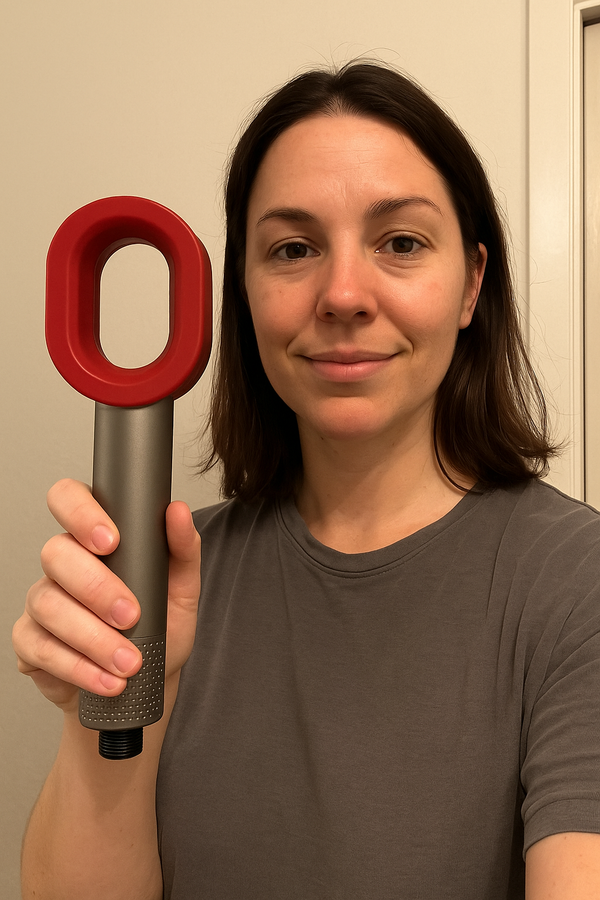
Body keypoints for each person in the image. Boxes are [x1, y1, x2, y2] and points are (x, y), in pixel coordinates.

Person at [12, 62, 600, 899]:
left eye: (401, 243)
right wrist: (107, 701)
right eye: (293, 249)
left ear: (472, 283)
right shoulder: (162, 583)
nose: (344, 295)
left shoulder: (577, 581)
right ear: (244, 292)